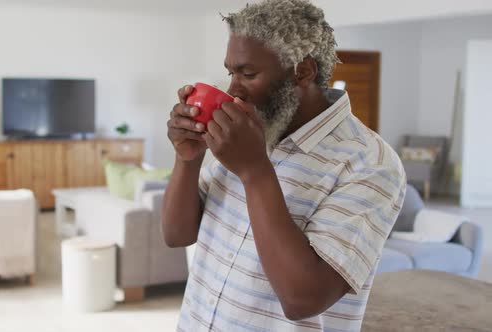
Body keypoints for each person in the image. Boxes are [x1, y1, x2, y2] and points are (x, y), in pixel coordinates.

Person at [162, 0, 406, 331]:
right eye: (231, 72)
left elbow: (303, 299)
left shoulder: (370, 164)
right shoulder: (248, 132)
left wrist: (254, 171)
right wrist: (187, 159)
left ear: (302, 71)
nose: (233, 90)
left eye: (248, 74)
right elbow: (177, 235)